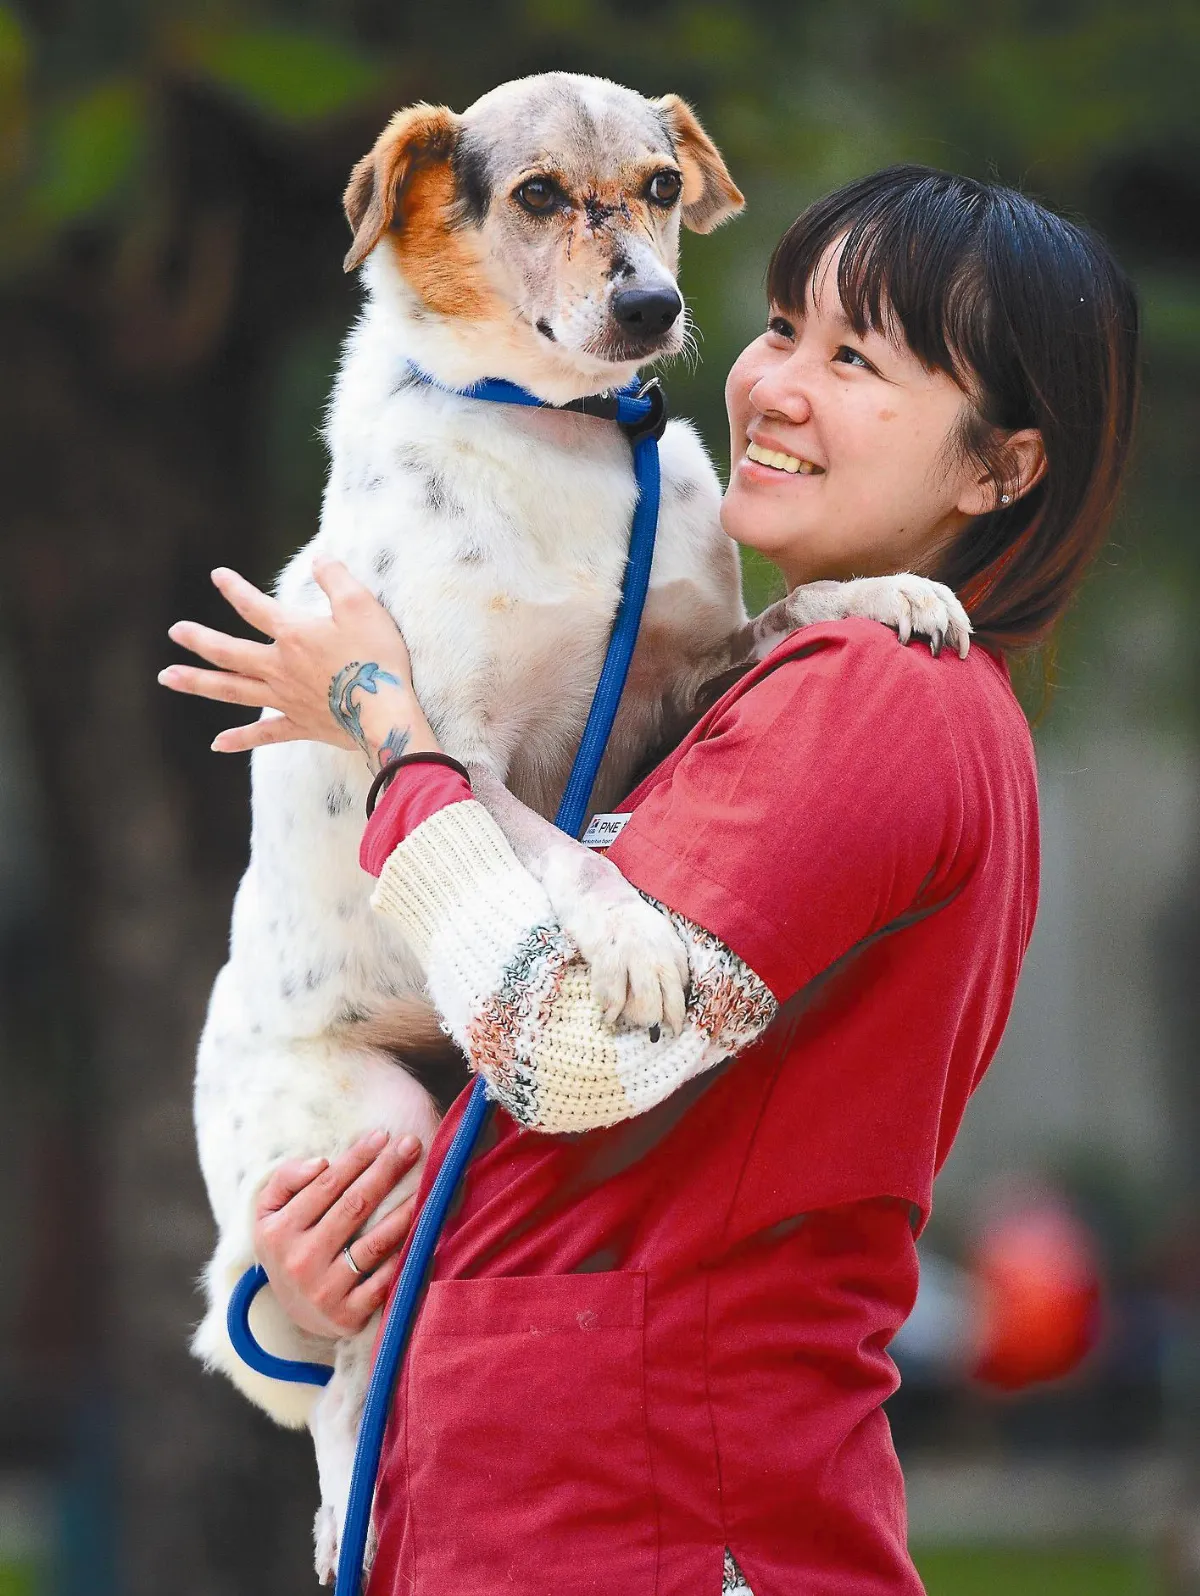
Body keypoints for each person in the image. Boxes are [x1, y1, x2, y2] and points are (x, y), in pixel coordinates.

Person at [160, 166, 1139, 1595]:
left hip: (658, 1523)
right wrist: (302, 1304)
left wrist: (390, 734)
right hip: (563, 1516)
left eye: (856, 360)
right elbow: (521, 1121)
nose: (775, 386)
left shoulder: (880, 697)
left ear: (1003, 468)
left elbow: (564, 1048)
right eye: (787, 325)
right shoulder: (793, 677)